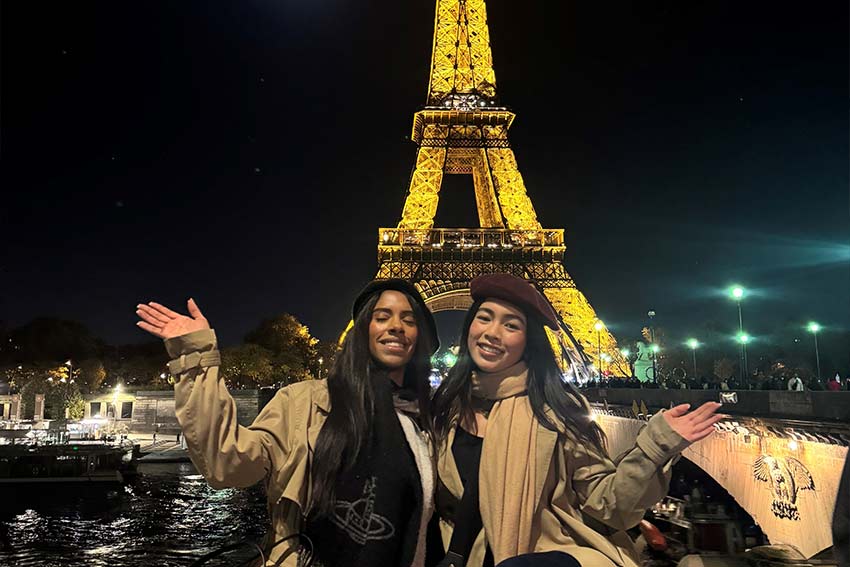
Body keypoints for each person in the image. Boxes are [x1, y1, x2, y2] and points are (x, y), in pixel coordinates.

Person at [135, 279, 439, 567]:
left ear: (419, 338)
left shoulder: (429, 423)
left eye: (409, 320)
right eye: (382, 316)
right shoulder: (303, 403)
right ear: (362, 331)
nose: (396, 327)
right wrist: (195, 353)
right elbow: (228, 462)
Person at [430, 274, 724, 567]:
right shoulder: (443, 409)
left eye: (511, 325)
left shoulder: (555, 410)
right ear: (469, 326)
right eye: (484, 318)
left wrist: (655, 447)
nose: (492, 332)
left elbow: (606, 503)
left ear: (528, 341)